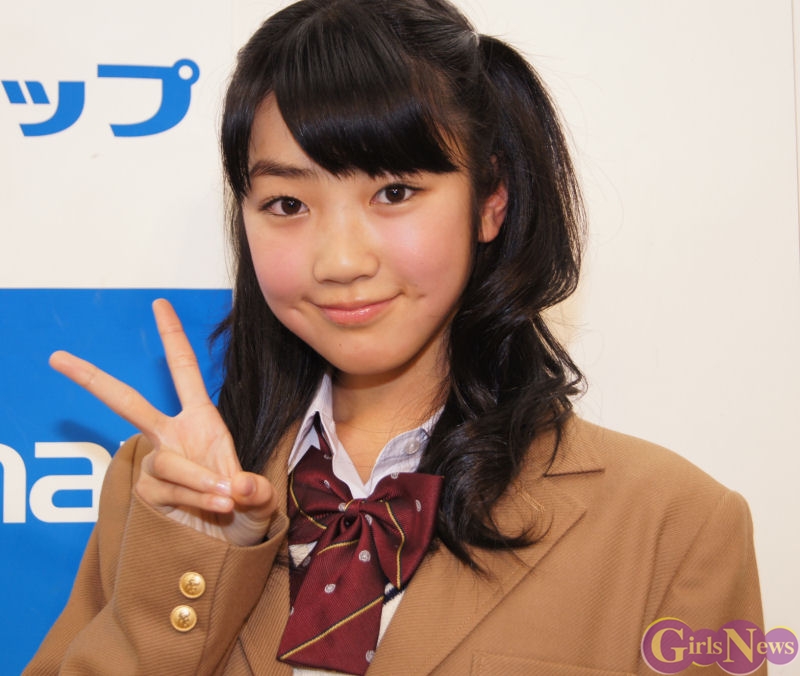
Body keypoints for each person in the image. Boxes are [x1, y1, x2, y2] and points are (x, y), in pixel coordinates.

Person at [25, 0, 763, 674]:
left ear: (491, 200)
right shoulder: (161, 487)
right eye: (287, 203)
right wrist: (191, 560)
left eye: (394, 192)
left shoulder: (675, 526)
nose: (341, 261)